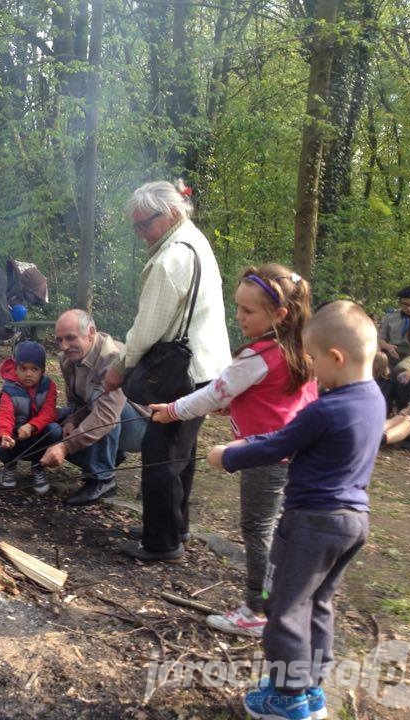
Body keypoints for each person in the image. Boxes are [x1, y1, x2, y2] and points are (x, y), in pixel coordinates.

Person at [207, 301, 384, 720]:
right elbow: (289, 436)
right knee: (319, 602)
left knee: (284, 606)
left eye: (314, 359)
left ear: (336, 357)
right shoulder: (374, 399)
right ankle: (310, 688)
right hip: (353, 522)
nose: (311, 368)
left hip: (311, 523)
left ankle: (287, 701)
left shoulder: (325, 408)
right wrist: (250, 443)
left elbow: (278, 445)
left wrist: (227, 456)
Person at [148, 264, 317, 637]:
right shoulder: (297, 350)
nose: (238, 317)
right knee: (278, 530)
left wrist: (171, 411)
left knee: (257, 530)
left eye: (248, 311)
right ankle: (283, 603)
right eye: (237, 307)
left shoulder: (256, 356)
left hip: (266, 456)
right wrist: (236, 405)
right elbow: (277, 398)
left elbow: (213, 393)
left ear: (280, 314)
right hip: (298, 454)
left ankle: (257, 611)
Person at [102, 180, 231, 562]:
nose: (141, 234)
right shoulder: (196, 241)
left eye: (145, 224)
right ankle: (176, 527)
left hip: (182, 371)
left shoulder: (171, 258)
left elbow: (147, 327)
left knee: (160, 455)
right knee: (181, 454)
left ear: (172, 213)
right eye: (136, 227)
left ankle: (162, 544)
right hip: (205, 366)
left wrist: (120, 368)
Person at [39, 310, 147, 505]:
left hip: (141, 427)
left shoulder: (114, 357)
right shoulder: (67, 359)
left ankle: (102, 479)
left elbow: (107, 417)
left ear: (91, 332)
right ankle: (110, 457)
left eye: (70, 338)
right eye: (59, 340)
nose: (64, 346)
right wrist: (72, 420)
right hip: (101, 413)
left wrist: (65, 447)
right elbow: (76, 401)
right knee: (52, 421)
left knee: (102, 399)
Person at [0, 341, 59, 494]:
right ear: (16, 368)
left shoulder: (48, 386)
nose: (28, 374)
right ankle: (10, 464)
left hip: (37, 436)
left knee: (54, 430)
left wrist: (32, 426)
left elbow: (49, 413)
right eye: (23, 368)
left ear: (42, 371)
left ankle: (38, 467)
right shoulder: (9, 389)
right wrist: (5, 435)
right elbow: (5, 415)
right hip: (16, 438)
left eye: (34, 369)